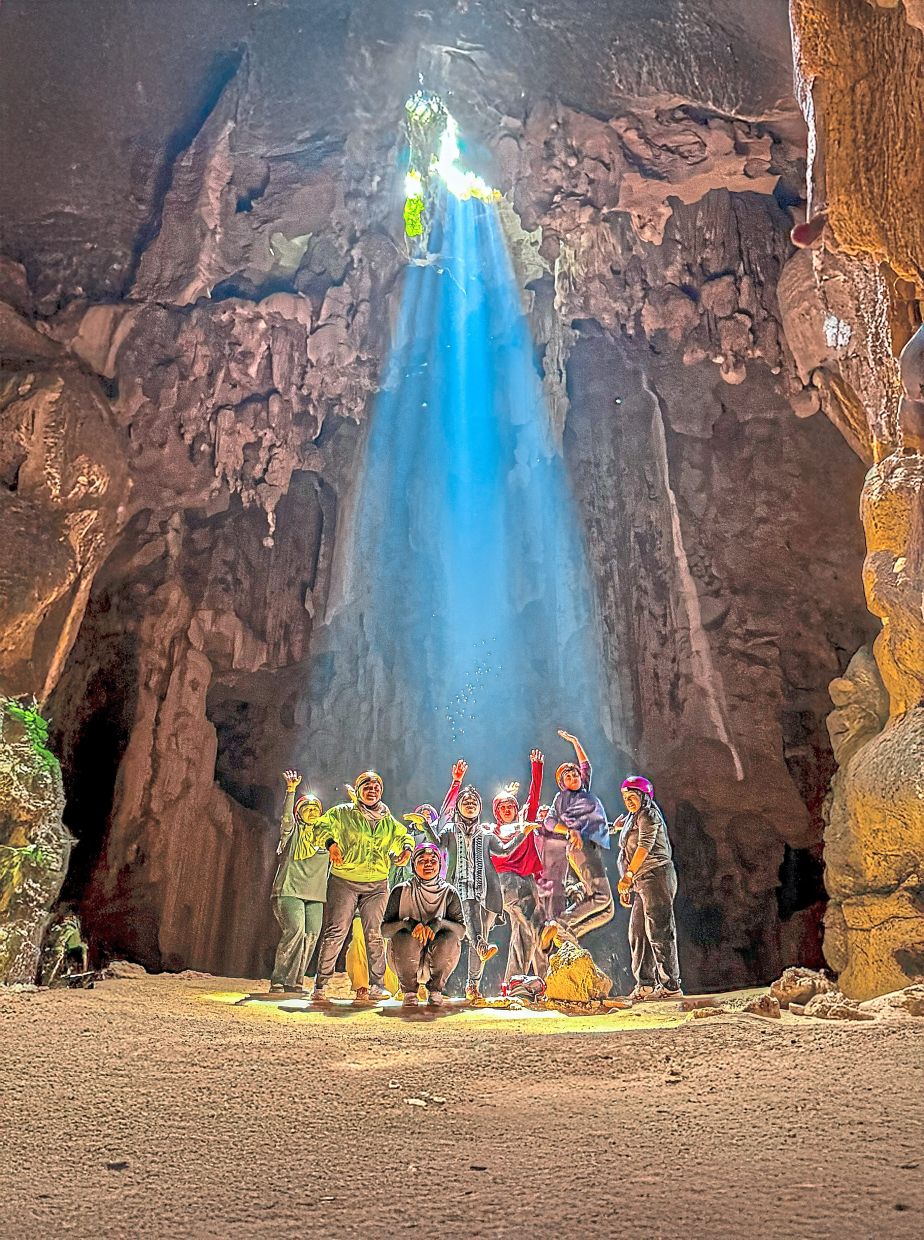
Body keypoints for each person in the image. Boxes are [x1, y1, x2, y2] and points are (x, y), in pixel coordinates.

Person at [423, 759, 537, 1001]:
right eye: (466, 801)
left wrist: (522, 835)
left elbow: (504, 850)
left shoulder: (486, 833)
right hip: (454, 890)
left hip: (484, 892)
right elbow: (436, 841)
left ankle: (472, 986)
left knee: (481, 932)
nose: (470, 804)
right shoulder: (451, 830)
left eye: (474, 801)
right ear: (459, 807)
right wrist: (426, 821)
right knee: (450, 938)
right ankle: (435, 986)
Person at [311, 770, 414, 1003]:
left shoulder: (387, 819)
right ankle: (320, 985)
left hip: (376, 884)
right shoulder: (343, 813)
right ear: (358, 791)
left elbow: (403, 835)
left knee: (375, 934)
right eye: (367, 786)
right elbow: (320, 826)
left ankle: (378, 985)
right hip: (344, 880)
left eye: (376, 786)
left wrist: (407, 849)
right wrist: (331, 844)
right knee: (336, 931)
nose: (372, 790)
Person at [614, 775, 682, 1000]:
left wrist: (629, 875)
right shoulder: (633, 817)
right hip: (641, 881)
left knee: (659, 930)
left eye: (632, 796)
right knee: (638, 932)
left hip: (656, 876)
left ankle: (671, 985)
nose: (629, 801)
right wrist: (629, 883)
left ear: (643, 796)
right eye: (625, 797)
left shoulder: (649, 815)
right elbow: (626, 849)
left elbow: (644, 846)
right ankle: (645, 985)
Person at [543, 730, 614, 937]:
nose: (574, 777)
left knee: (607, 910)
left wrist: (575, 741)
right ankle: (559, 924)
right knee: (602, 897)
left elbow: (586, 767)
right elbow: (549, 822)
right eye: (568, 776)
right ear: (562, 783)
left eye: (575, 774)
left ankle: (569, 934)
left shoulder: (584, 793)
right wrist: (570, 830)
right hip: (579, 848)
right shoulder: (563, 798)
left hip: (590, 847)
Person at [382, 842, 466, 1008]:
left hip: (436, 960)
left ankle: (436, 990)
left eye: (432, 861)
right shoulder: (401, 891)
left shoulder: (449, 893)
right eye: (422, 861)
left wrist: (439, 923)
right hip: (404, 960)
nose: (428, 864)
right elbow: (384, 930)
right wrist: (407, 923)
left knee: (450, 937)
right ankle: (409, 991)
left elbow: (461, 931)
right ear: (413, 865)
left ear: (439, 864)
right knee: (403, 937)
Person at [270, 769, 329, 994]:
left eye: (316, 809)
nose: (312, 812)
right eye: (307, 809)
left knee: (310, 936)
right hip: (289, 890)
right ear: (300, 813)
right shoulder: (294, 832)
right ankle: (279, 978)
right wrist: (291, 791)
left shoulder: (325, 838)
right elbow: (286, 820)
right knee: (295, 930)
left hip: (315, 894)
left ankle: (295, 982)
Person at [490, 749, 544, 981]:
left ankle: (522, 979)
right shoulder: (494, 830)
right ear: (496, 813)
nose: (508, 810)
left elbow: (533, 799)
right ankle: (516, 980)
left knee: (525, 930)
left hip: (527, 879)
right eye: (502, 808)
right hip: (508, 881)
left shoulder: (524, 823)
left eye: (511, 806)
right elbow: (498, 856)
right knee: (531, 927)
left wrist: (537, 769)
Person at [534, 802, 569, 923]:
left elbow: (584, 832)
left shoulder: (561, 837)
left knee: (557, 921)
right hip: (536, 886)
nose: (543, 818)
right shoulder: (532, 837)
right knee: (536, 924)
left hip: (556, 886)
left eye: (546, 815)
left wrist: (611, 828)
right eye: (540, 815)